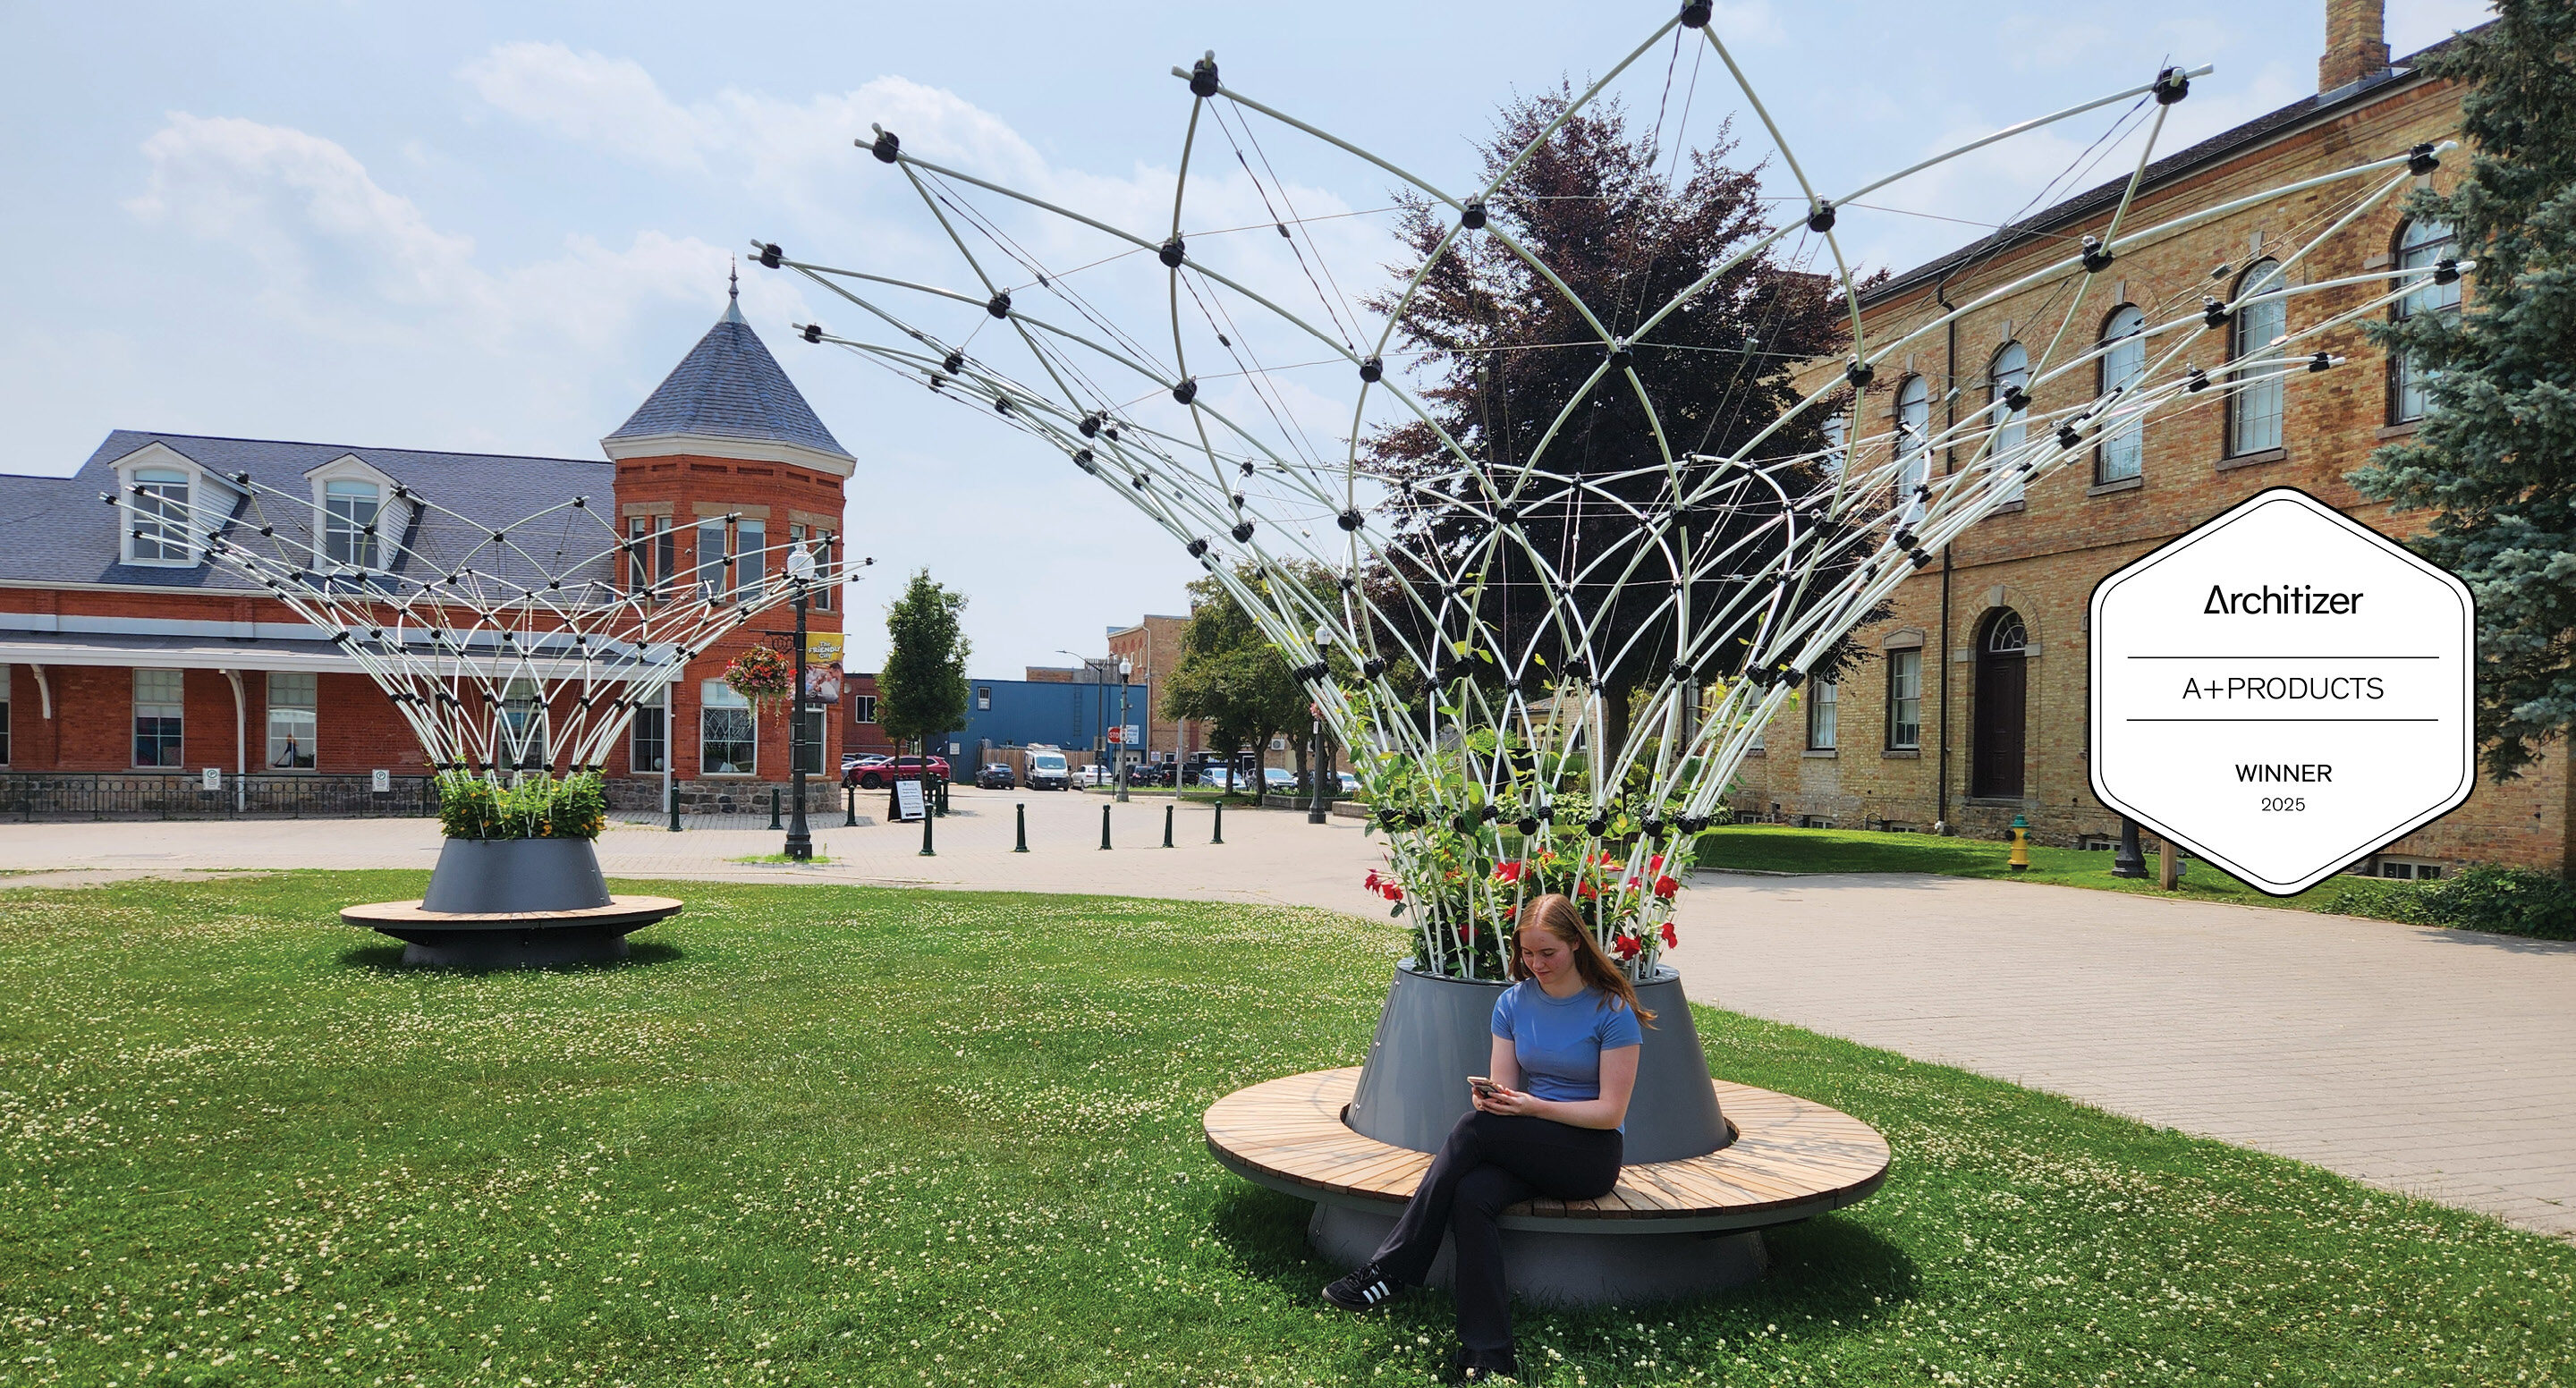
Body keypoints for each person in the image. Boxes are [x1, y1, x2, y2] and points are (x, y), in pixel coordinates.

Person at [1320, 893, 1655, 1381]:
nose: (1535, 964)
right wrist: (1494, 1100)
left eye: (1548, 953)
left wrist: (1528, 1108)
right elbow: (1505, 1091)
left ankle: (1392, 1268)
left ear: (1577, 946)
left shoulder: (1612, 1010)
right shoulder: (1512, 1003)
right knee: (1472, 1194)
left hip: (1588, 1154)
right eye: (1527, 953)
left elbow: (1610, 1113)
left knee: (1472, 1130)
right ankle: (1487, 1355)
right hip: (1528, 1142)